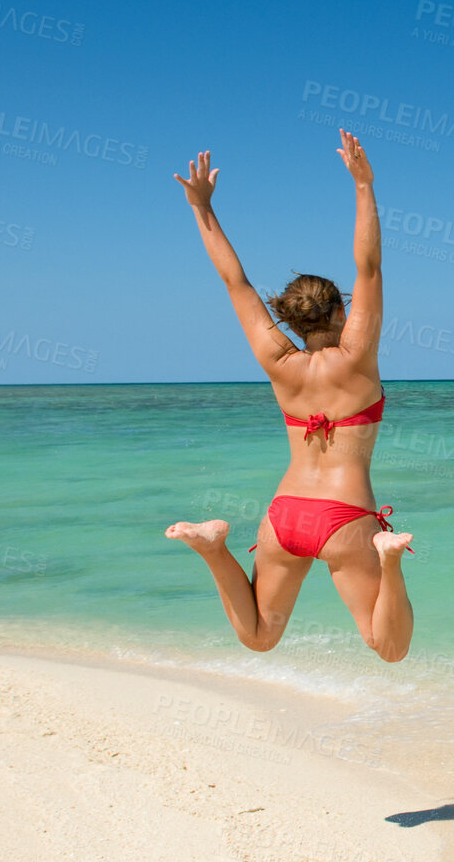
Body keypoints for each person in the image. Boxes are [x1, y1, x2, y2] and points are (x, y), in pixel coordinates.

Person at [165, 130, 414, 662]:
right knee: (388, 647)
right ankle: (390, 560)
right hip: (346, 518)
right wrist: (363, 184)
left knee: (259, 636)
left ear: (290, 318)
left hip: (284, 517)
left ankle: (212, 547)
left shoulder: (278, 361)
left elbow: (236, 283)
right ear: (340, 313)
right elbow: (368, 267)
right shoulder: (357, 359)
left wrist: (202, 208)